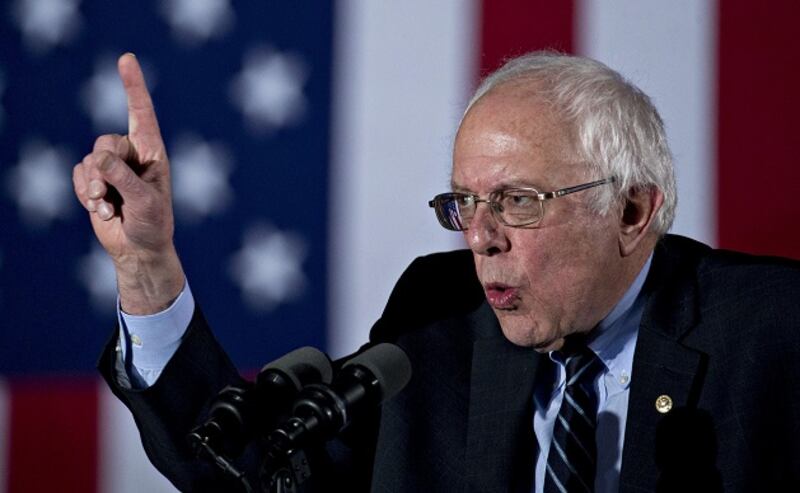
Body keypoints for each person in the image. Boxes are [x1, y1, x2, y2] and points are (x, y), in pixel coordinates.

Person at [73, 52, 800, 492]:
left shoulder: (772, 331)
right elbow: (246, 469)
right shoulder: (437, 317)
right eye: (464, 203)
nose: (480, 238)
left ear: (634, 211)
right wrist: (146, 265)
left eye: (518, 201)